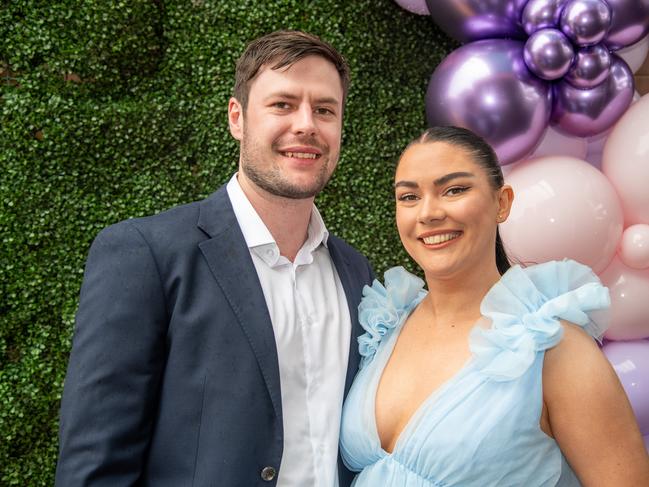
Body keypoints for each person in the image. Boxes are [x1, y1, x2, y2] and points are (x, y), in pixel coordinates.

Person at [56, 30, 374, 487]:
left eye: (325, 109)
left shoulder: (355, 271)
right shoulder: (144, 254)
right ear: (237, 118)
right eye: (283, 105)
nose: (307, 124)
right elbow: (95, 465)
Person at [339, 126, 649, 486]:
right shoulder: (385, 326)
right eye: (408, 197)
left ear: (501, 203)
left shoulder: (552, 345)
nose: (427, 213)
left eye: (454, 190)